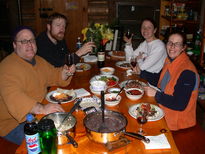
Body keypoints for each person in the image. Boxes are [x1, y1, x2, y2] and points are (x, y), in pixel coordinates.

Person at [0, 26, 75, 145]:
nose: (29, 44)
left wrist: (65, 73)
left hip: (38, 113)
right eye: (24, 41)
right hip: (14, 125)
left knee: (71, 124)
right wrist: (42, 108)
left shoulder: (39, 61)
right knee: (53, 141)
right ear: (14, 45)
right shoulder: (6, 67)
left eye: (32, 40)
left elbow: (54, 74)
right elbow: (15, 97)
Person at [144, 32, 199, 131]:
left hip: (177, 124)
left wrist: (156, 94)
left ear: (183, 48)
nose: (172, 47)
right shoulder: (170, 60)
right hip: (163, 110)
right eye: (170, 43)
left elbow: (179, 104)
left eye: (177, 44)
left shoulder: (187, 72)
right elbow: (160, 80)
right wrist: (141, 73)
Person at [124, 18, 167, 86]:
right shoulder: (145, 43)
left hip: (152, 82)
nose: (145, 30)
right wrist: (129, 43)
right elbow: (129, 60)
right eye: (143, 27)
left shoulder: (159, 46)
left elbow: (141, 68)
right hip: (141, 77)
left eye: (149, 27)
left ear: (155, 30)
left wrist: (138, 59)